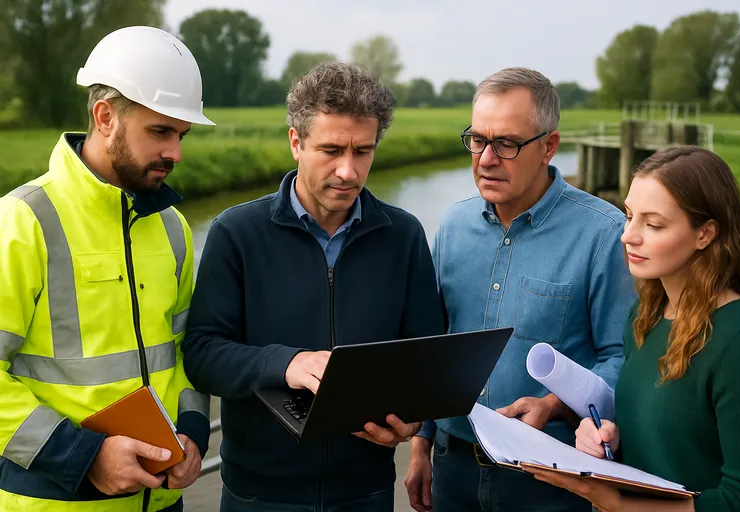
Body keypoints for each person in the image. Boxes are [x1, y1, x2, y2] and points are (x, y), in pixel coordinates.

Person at [181, 61, 444, 512]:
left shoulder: (404, 235)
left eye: (363, 151)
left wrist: (415, 423)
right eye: (331, 150)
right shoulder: (235, 232)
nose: (348, 171)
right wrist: (288, 363)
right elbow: (203, 354)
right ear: (295, 143)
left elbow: (427, 353)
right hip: (258, 495)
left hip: (367, 492)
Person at [0, 26, 213, 512]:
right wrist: (84, 456)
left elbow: (185, 353)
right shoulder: (23, 221)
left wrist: (194, 433)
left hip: (161, 504)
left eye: (181, 135)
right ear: (104, 118)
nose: (176, 153)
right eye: (160, 131)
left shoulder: (173, 228)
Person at [405, 67, 636, 511]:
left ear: (549, 146)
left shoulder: (604, 233)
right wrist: (421, 444)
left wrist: (551, 405)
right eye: (477, 139)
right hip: (453, 469)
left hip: (550, 478)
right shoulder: (452, 225)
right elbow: (436, 343)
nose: (486, 159)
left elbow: (621, 357)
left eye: (506, 144)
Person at [526, 146, 740, 511]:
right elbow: (668, 444)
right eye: (629, 216)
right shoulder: (646, 314)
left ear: (706, 234)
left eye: (653, 224)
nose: (628, 236)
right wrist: (609, 439)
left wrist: (620, 505)